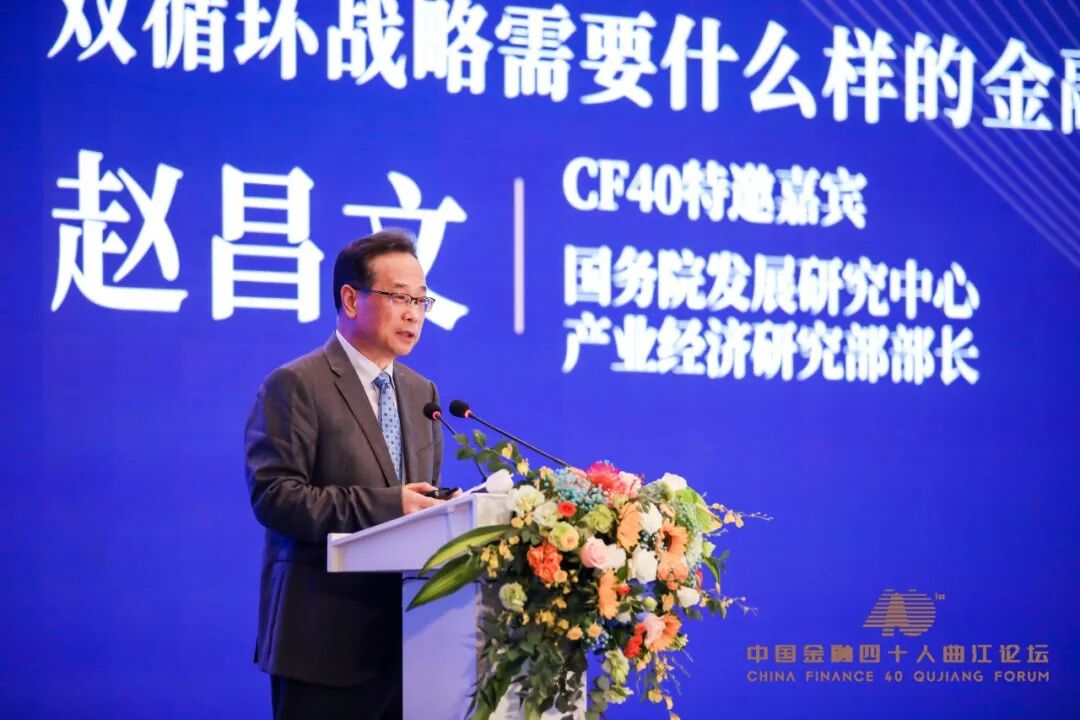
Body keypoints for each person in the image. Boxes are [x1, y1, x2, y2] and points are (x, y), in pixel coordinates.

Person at [244, 229, 452, 720]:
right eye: (400, 297)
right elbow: (276, 496)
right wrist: (392, 505)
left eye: (421, 300)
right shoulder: (296, 384)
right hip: (322, 646)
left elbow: (415, 500)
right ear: (352, 299)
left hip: (411, 650)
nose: (414, 314)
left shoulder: (421, 393)